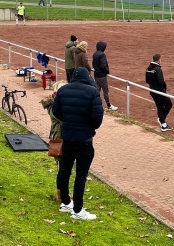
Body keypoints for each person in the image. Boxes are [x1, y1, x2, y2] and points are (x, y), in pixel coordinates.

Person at [52, 67, 104, 221]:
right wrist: (89, 127)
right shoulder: (92, 92)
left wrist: (68, 122)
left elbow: (56, 112)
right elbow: (97, 117)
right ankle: (78, 209)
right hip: (84, 140)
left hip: (68, 138)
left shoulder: (63, 91)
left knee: (65, 170)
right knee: (81, 175)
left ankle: (66, 202)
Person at [41, 80, 68, 202]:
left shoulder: (58, 104)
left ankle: (63, 194)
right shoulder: (55, 107)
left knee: (65, 168)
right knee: (62, 169)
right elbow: (63, 119)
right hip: (60, 139)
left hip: (63, 138)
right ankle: (61, 195)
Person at [146, 54, 172, 132]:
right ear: (159, 60)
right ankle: (162, 121)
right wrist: (164, 86)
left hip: (152, 90)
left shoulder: (148, 68)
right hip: (159, 91)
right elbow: (161, 81)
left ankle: (162, 122)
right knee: (169, 104)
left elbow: (147, 80)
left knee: (159, 106)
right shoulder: (158, 69)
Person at [92, 41, 117, 110]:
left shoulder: (95, 54)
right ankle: (109, 105)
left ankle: (94, 103)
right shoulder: (102, 55)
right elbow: (103, 66)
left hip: (96, 74)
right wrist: (107, 71)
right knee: (105, 91)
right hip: (102, 76)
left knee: (97, 90)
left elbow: (93, 64)